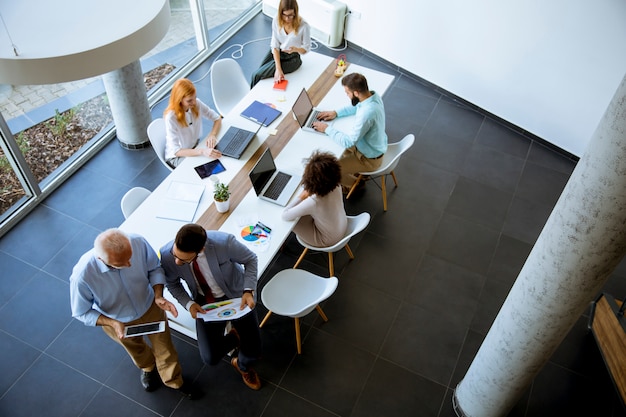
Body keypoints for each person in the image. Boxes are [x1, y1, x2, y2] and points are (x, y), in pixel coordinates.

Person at [69, 229, 200, 399]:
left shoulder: (137, 241)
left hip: (151, 306)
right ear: (101, 259)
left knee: (165, 348)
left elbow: (154, 268)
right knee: (136, 349)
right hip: (118, 321)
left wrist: (158, 295)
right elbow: (81, 312)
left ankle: (174, 380)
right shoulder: (82, 276)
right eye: (121, 264)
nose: (129, 265)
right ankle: (148, 367)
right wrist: (112, 323)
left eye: (130, 258)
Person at [160, 224, 263, 391]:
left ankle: (242, 366)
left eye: (184, 260)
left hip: (236, 296)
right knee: (211, 357)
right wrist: (189, 304)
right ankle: (235, 337)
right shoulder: (166, 255)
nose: (177, 262)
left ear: (201, 249)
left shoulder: (225, 243)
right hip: (204, 302)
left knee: (254, 350)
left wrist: (248, 290)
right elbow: (172, 283)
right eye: (175, 255)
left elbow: (251, 259)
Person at [312, 73, 388, 192]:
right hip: (373, 147)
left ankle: (356, 185)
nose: (347, 95)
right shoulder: (373, 96)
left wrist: (326, 128)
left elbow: (348, 142)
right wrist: (336, 113)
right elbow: (357, 106)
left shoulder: (367, 114)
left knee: (330, 171)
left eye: (347, 93)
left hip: (369, 159)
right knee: (335, 154)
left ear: (356, 93)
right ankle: (353, 172)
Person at [282, 151, 348, 247]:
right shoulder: (336, 185)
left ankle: (281, 243)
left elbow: (285, 215)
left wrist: (302, 196)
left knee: (291, 223)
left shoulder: (314, 202)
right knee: (303, 212)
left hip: (328, 240)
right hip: (342, 224)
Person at [163, 78, 222, 168]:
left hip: (194, 147)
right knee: (205, 168)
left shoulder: (196, 103)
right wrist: (202, 151)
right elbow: (176, 151)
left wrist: (212, 135)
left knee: (216, 159)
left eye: (194, 97)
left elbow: (217, 118)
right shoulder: (171, 117)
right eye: (189, 100)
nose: (194, 102)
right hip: (178, 156)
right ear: (179, 100)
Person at [250, 0, 311, 88]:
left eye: (290, 15)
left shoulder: (304, 26)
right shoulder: (276, 20)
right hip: (278, 52)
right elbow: (274, 45)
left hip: (292, 58)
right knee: (260, 74)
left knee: (256, 75)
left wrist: (296, 49)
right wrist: (278, 69)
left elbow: (306, 48)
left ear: (295, 12)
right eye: (284, 15)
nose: (287, 19)